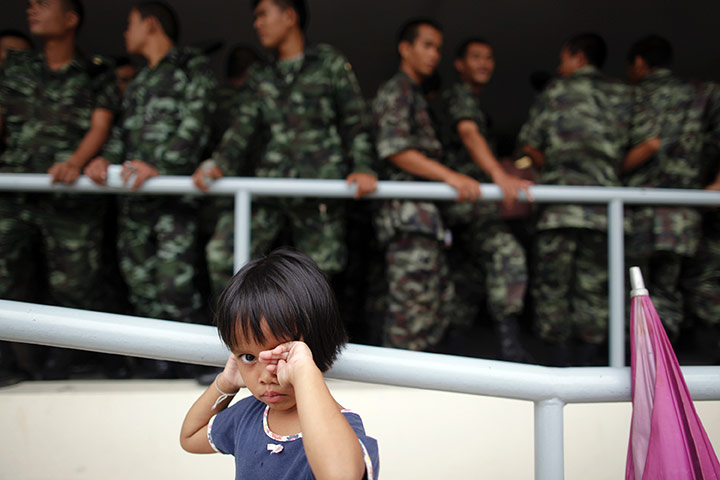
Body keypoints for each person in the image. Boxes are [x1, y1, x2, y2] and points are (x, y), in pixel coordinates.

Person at [194, 0, 377, 297]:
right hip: (271, 186)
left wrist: (363, 166)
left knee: (318, 279)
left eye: (263, 15)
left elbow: (355, 121)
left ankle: (305, 343)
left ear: (289, 16)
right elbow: (241, 128)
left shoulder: (328, 63)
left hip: (319, 187)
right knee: (223, 255)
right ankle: (239, 335)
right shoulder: (260, 74)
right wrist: (219, 163)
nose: (257, 24)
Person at [85, 1, 217, 376]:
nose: (125, 34)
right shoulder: (139, 81)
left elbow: (196, 125)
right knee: (141, 286)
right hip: (135, 204)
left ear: (151, 25)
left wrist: (161, 166)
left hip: (174, 203)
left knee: (176, 286)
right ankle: (155, 366)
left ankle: (193, 365)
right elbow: (122, 137)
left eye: (130, 24)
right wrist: (101, 162)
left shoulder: (192, 69)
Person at [180, 249, 380, 479]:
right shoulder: (249, 414)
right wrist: (226, 382)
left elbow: (341, 475)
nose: (265, 375)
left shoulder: (341, 427)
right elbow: (190, 436)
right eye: (248, 357)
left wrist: (305, 373)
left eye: (281, 356)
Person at [0, 0, 120, 380]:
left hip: (69, 197)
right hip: (14, 190)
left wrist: (74, 162)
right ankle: (8, 362)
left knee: (72, 285)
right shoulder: (17, 67)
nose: (32, 9)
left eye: (43, 4)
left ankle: (61, 364)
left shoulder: (95, 72)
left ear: (70, 19)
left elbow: (100, 126)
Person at [518, 33, 633, 365]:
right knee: (594, 290)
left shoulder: (555, 90)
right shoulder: (624, 95)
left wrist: (557, 169)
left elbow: (529, 145)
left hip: (560, 209)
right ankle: (589, 364)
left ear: (577, 56)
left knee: (553, 289)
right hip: (604, 212)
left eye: (562, 58)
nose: (559, 66)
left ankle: (558, 363)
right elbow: (646, 144)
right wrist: (605, 171)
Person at [372, 18, 481, 351]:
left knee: (430, 311)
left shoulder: (415, 95)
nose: (434, 55)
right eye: (427, 45)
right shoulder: (398, 91)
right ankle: (396, 397)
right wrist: (450, 176)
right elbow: (395, 149)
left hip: (423, 220)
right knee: (410, 316)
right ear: (406, 49)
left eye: (438, 48)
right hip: (408, 219)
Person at [435, 37, 533, 361]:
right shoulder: (460, 95)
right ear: (459, 64)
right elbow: (468, 132)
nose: (484, 63)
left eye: (489, 58)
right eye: (475, 57)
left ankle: (456, 352)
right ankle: (511, 351)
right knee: (508, 256)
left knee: (467, 281)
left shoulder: (474, 100)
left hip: (466, 209)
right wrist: (499, 175)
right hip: (466, 206)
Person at [622, 35, 720, 342]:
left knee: (634, 292)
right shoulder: (702, 94)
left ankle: (644, 366)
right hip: (681, 214)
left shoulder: (626, 97)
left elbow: (619, 151)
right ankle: (670, 363)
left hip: (636, 211)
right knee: (668, 289)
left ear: (639, 62)